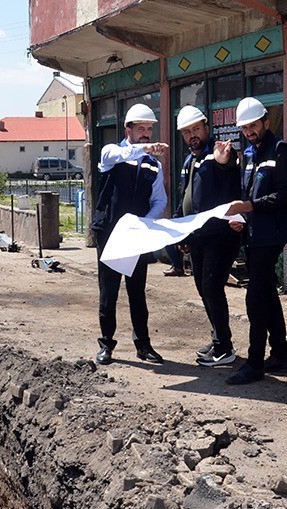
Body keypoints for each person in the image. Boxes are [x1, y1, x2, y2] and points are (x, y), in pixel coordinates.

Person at [225, 97, 287, 385]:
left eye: (253, 125)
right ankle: (280, 355)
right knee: (267, 294)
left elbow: (286, 195)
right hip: (254, 233)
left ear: (265, 121)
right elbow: (248, 192)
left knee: (255, 297)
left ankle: (254, 363)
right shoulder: (250, 154)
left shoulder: (281, 150)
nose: (249, 131)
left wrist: (248, 207)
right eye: (244, 127)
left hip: (271, 235)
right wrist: (241, 218)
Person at [92, 103, 168, 365]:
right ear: (128, 130)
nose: (146, 133)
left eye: (149, 129)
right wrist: (144, 149)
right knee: (109, 291)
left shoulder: (153, 166)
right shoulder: (111, 153)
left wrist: (145, 222)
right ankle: (106, 344)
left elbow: (160, 200)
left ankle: (143, 345)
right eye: (141, 129)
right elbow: (115, 157)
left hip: (137, 235)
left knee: (137, 292)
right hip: (110, 234)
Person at [172, 106, 242, 368]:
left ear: (206, 128)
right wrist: (180, 230)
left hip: (220, 235)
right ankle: (218, 340)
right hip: (198, 235)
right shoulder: (190, 160)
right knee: (203, 289)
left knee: (212, 288)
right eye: (187, 132)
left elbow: (228, 167)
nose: (193, 135)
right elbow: (186, 197)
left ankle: (225, 348)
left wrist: (225, 159)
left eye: (196, 129)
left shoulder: (217, 154)